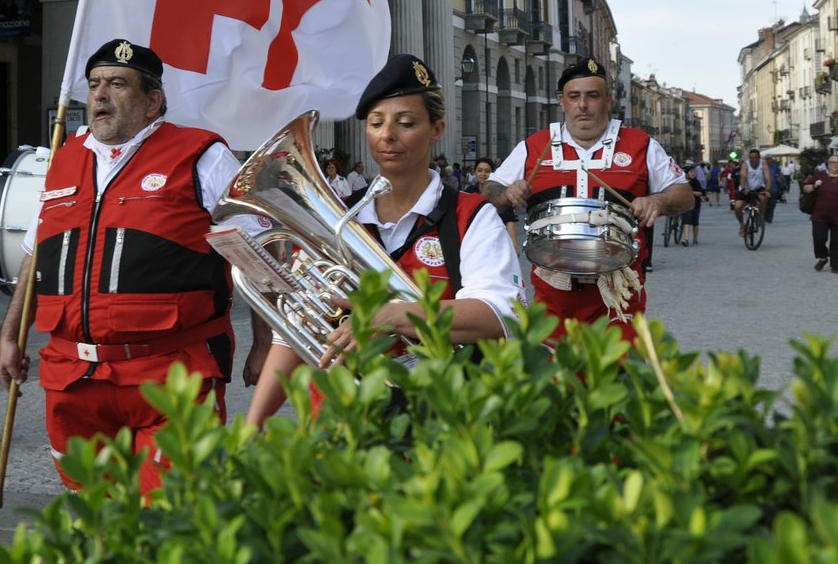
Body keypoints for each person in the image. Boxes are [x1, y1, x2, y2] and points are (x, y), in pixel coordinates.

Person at [0, 40, 240, 495]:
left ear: (153, 101)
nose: (100, 96)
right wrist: (11, 336)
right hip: (74, 379)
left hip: (171, 375)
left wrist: (267, 342)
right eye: (93, 85)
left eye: (117, 84)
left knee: (169, 522)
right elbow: (35, 253)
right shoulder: (64, 156)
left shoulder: (202, 156)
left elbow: (253, 255)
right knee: (96, 522)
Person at [245, 54, 522, 425]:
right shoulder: (339, 220)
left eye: (406, 123)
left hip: (443, 418)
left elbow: (500, 312)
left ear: (436, 129)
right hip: (336, 419)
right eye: (376, 123)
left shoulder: (472, 216)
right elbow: (295, 329)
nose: (387, 135)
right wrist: (251, 426)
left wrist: (391, 315)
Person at [486, 56, 690, 339]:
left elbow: (684, 194)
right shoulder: (534, 146)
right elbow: (488, 190)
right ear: (562, 101)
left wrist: (658, 201)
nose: (582, 104)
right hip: (553, 292)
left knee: (620, 377)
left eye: (592, 96)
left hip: (619, 293)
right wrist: (506, 193)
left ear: (607, 100)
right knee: (554, 378)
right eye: (574, 96)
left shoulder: (640, 145)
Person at [730, 147, 777, 226]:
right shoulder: (746, 164)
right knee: (737, 207)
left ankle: (760, 216)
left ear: (759, 158)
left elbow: (768, 177)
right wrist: (744, 188)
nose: (753, 160)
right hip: (746, 188)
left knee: (764, 197)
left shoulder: (763, 163)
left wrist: (768, 190)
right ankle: (741, 225)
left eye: (755, 158)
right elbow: (743, 177)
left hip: (758, 188)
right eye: (751, 158)